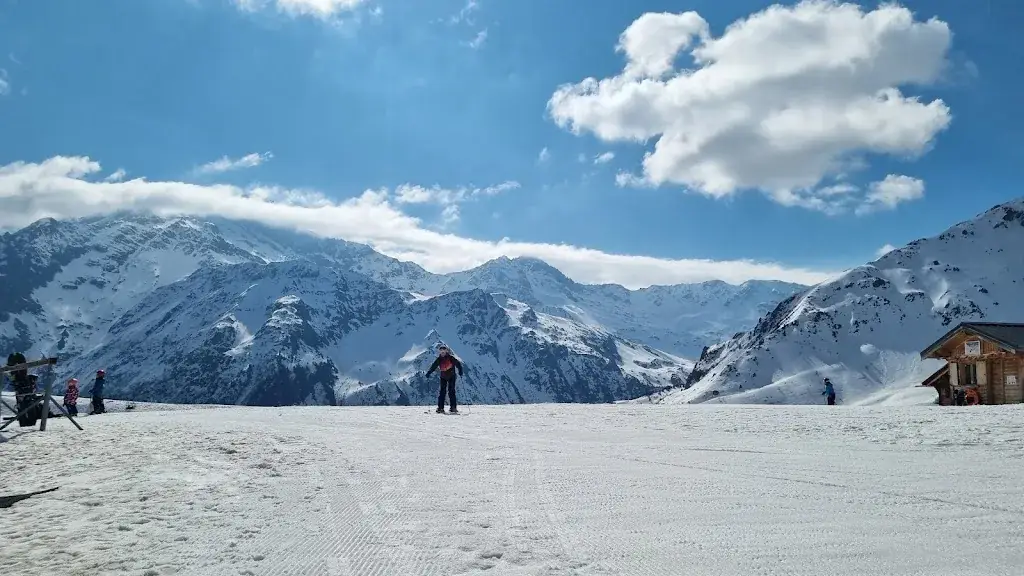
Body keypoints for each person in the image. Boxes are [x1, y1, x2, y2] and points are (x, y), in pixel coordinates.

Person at [425, 345, 463, 414]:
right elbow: (433, 366)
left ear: (446, 351)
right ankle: (443, 408)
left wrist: (460, 370)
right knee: (443, 392)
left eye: (443, 351)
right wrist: (429, 372)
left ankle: (450, 408)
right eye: (441, 351)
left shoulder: (450, 358)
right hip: (444, 377)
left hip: (450, 376)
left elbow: (458, 364)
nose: (442, 353)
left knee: (450, 392)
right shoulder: (440, 359)